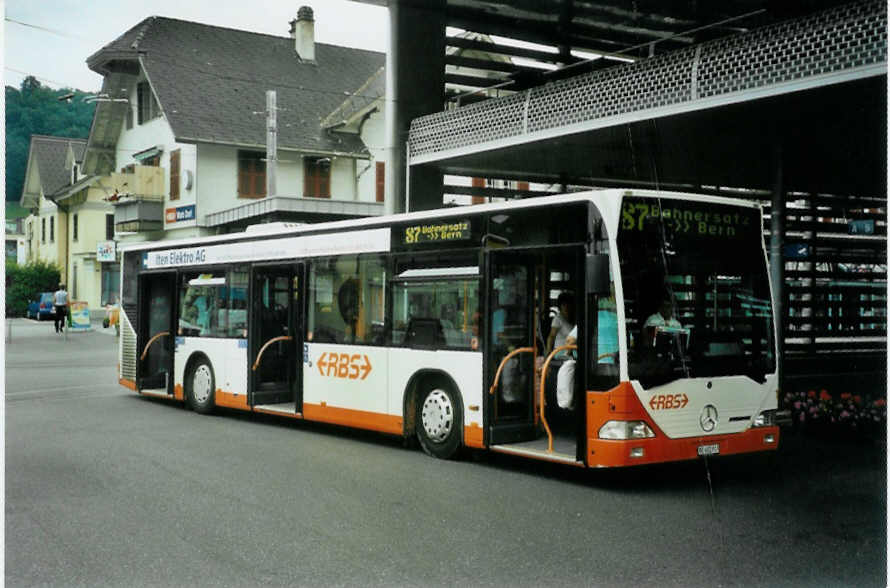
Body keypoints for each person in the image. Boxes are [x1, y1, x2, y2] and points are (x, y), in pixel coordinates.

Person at [546, 292, 575, 357]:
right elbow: (551, 336)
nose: (566, 307)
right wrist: (548, 353)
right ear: (560, 306)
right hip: (561, 352)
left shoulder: (574, 319)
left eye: (568, 304)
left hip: (573, 351)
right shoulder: (557, 319)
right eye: (564, 305)